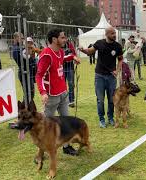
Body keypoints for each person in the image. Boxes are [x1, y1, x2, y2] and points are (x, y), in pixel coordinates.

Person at [36, 28, 80, 156]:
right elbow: (39, 76)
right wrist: (43, 92)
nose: (65, 39)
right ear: (54, 39)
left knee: (66, 122)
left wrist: (73, 57)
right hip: (51, 96)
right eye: (62, 37)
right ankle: (40, 153)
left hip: (63, 93)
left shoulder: (60, 51)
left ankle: (67, 146)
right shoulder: (46, 55)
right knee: (46, 126)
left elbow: (63, 58)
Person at [79, 27, 123, 128]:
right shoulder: (99, 43)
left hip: (111, 77)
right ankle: (101, 119)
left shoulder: (117, 46)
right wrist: (83, 50)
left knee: (111, 99)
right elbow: (90, 51)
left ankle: (110, 117)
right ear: (107, 34)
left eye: (115, 33)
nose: (114, 35)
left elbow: (120, 59)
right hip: (99, 76)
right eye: (112, 33)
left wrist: (117, 70)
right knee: (100, 100)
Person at [62, 39, 78, 108]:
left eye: (64, 38)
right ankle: (63, 102)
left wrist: (74, 58)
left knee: (71, 84)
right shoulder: (58, 45)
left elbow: (74, 54)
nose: (64, 39)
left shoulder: (70, 45)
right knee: (62, 85)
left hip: (70, 68)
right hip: (61, 68)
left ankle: (71, 101)